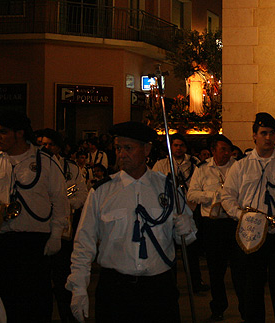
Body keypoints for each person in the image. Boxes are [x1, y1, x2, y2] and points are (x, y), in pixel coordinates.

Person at [66, 121, 197, 323]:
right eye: (118, 148)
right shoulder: (102, 192)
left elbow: (187, 237)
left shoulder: (168, 188)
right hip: (116, 290)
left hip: (159, 289)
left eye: (128, 148)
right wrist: (78, 287)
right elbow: (84, 243)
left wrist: (186, 230)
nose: (121, 154)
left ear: (146, 149)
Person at [220, 112, 275, 323]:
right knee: (251, 289)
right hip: (250, 235)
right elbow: (227, 196)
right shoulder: (240, 166)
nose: (268, 138)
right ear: (254, 136)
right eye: (264, 133)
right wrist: (242, 216)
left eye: (272, 133)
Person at [0, 111, 68, 322]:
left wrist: (55, 235)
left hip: (34, 243)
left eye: (3, 132)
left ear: (19, 133)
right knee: (5, 303)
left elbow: (60, 200)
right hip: (2, 242)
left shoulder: (45, 162)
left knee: (35, 303)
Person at [188, 134, 246, 322]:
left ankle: (246, 307)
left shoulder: (238, 167)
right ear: (213, 150)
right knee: (215, 270)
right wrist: (214, 196)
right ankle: (218, 307)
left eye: (229, 150)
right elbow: (192, 194)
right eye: (223, 149)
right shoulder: (203, 169)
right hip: (212, 225)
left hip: (234, 222)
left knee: (239, 269)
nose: (227, 153)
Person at [41, 128, 89, 323]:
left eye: (50, 144)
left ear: (58, 147)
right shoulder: (35, 166)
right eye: (43, 144)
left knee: (63, 279)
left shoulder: (71, 168)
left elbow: (81, 193)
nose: (46, 147)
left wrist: (65, 204)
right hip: (42, 229)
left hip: (64, 230)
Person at [152, 133, 205, 292]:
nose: (178, 148)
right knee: (169, 249)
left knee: (191, 250)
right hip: (169, 210)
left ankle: (196, 282)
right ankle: (170, 284)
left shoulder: (194, 163)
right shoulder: (162, 164)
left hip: (190, 208)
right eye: (175, 145)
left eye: (181, 145)